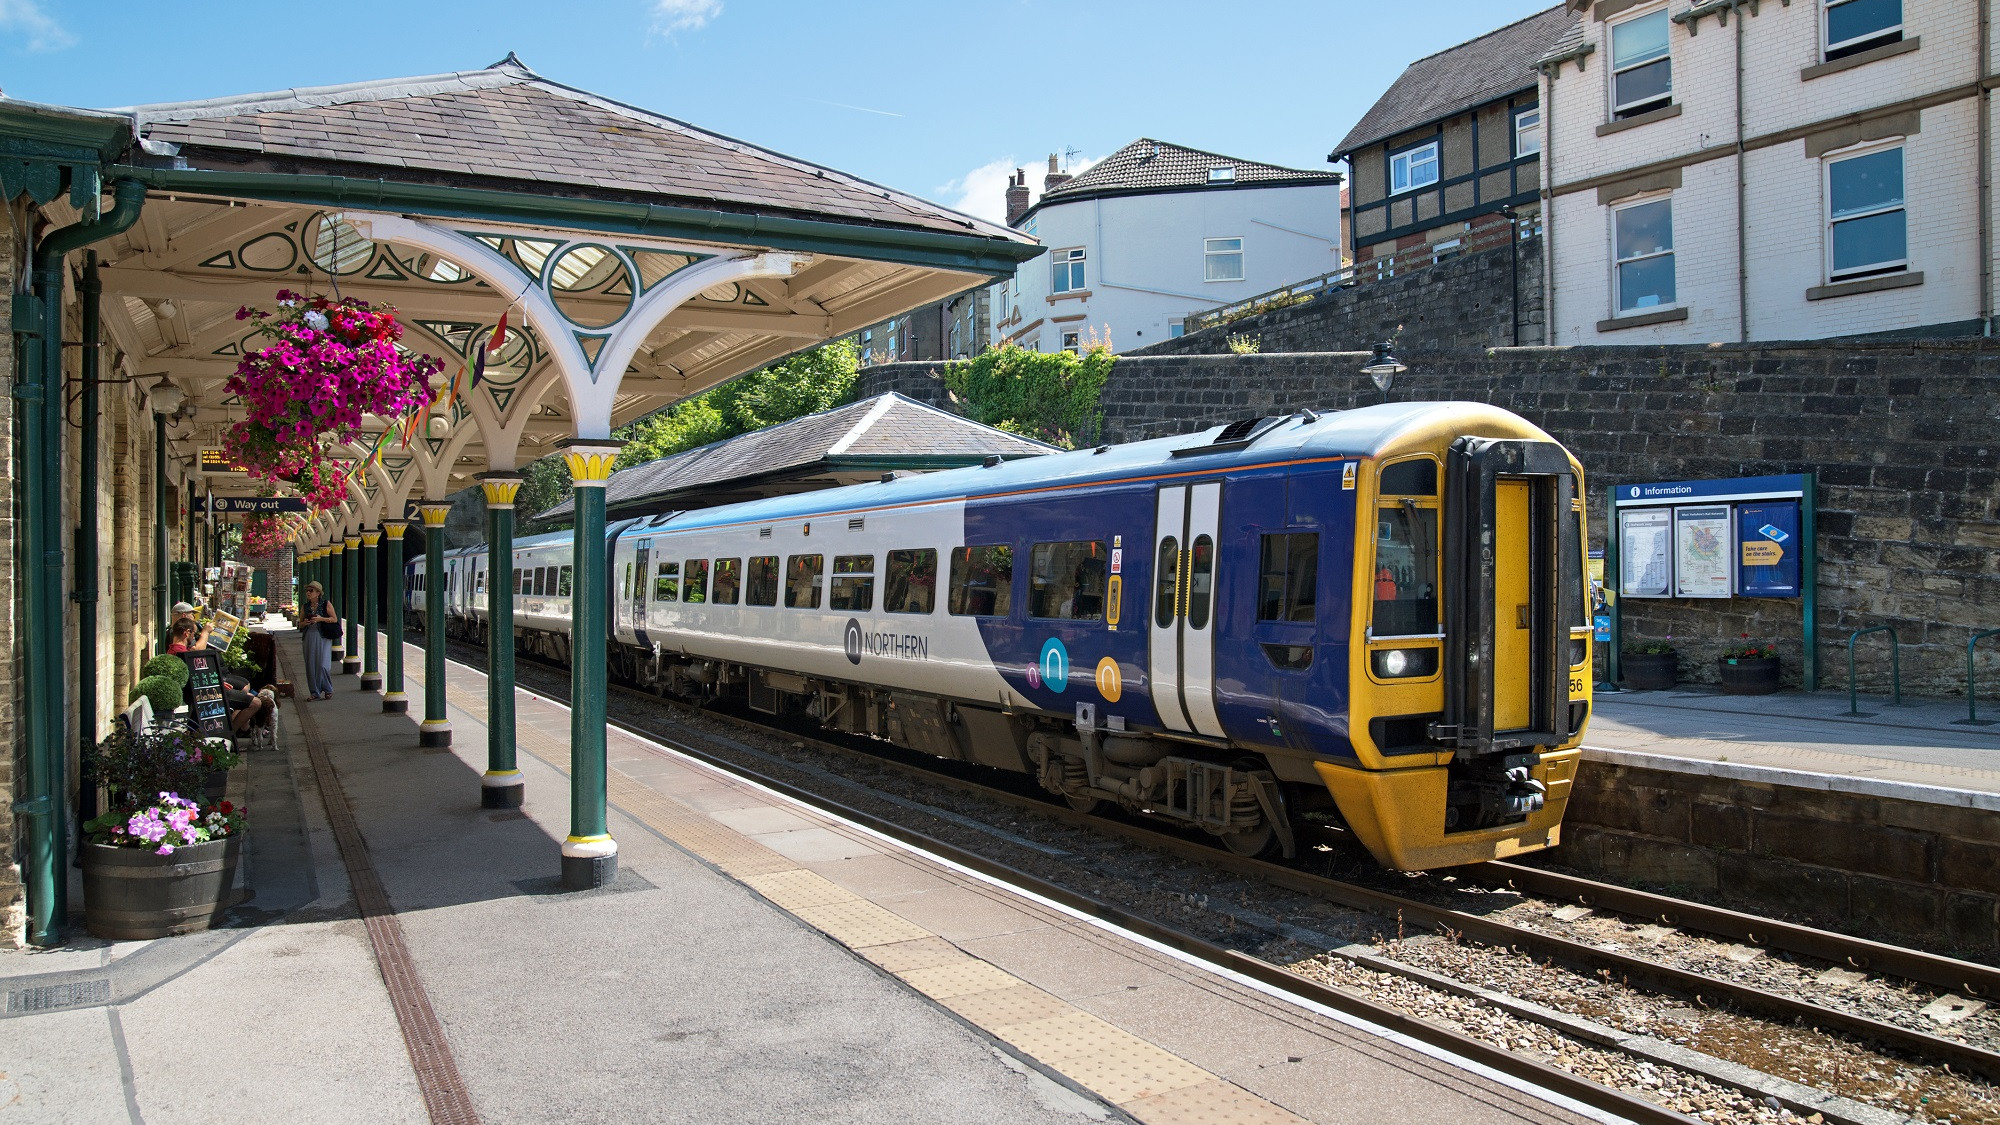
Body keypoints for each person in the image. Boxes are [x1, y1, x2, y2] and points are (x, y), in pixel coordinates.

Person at [298, 580, 338, 701]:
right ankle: (314, 692)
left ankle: (328, 688)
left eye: (311, 591)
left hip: (323, 637)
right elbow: (300, 624)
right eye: (307, 591)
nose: (308, 593)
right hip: (309, 636)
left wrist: (321, 619)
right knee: (310, 664)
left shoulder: (326, 604)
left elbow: (334, 619)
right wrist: (305, 623)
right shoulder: (305, 607)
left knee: (323, 664)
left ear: (318, 593)